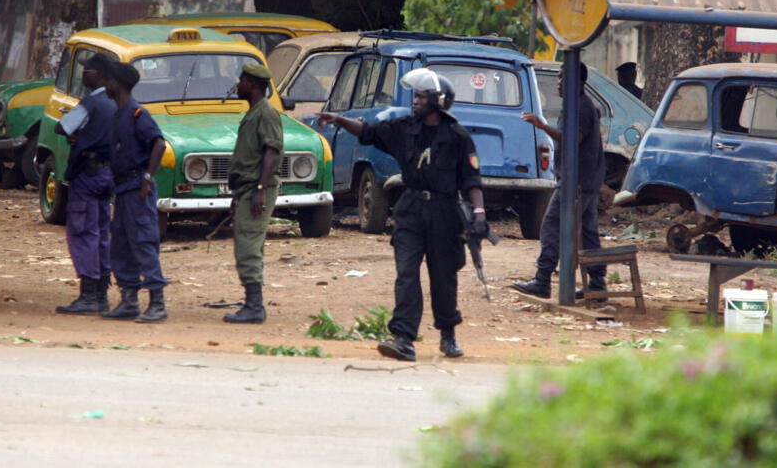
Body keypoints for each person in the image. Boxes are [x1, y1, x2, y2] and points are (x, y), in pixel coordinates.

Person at [317, 68, 486, 361]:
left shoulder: (458, 137)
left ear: (437, 100)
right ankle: (404, 338)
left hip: (444, 213)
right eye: (416, 96)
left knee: (443, 277)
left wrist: (480, 214)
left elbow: (472, 181)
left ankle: (448, 333)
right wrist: (339, 120)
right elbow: (369, 132)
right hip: (410, 209)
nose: (415, 101)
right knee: (406, 273)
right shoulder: (405, 128)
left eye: (421, 96)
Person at [512, 62, 607, 300]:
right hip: (586, 179)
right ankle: (597, 283)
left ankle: (543, 279)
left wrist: (541, 125)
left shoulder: (581, 107)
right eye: (559, 78)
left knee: (552, 225)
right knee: (588, 232)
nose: (559, 83)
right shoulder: (578, 105)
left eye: (563, 78)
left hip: (577, 181)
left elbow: (572, 139)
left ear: (579, 81)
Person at [101, 61, 169, 323]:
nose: (105, 85)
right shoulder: (119, 115)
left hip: (137, 188)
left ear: (117, 84)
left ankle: (157, 302)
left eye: (108, 81)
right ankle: (129, 300)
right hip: (124, 189)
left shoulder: (137, 113)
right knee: (121, 244)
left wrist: (148, 179)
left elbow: (159, 144)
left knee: (143, 243)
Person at [55, 53, 117, 315]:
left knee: (83, 231)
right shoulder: (116, 103)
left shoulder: (91, 103)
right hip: (108, 174)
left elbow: (63, 126)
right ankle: (102, 294)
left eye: (87, 71)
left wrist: (79, 136)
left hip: (87, 175)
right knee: (102, 232)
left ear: (100, 76)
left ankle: (88, 296)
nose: (83, 75)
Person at [223, 63, 283, 324]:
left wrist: (260, 188)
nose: (238, 84)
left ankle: (254, 306)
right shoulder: (255, 113)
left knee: (248, 247)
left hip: (257, 189)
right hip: (247, 189)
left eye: (242, 80)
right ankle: (252, 303)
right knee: (247, 244)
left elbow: (272, 151)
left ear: (254, 85)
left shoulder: (266, 114)